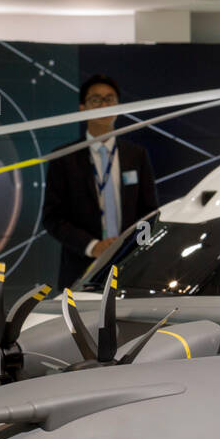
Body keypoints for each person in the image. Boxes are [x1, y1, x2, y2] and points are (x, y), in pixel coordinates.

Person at [42, 74, 159, 290]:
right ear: (83, 107)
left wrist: (135, 247)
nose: (103, 105)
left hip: (131, 266)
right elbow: (52, 218)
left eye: (109, 99)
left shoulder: (136, 156)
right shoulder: (64, 158)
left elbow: (150, 213)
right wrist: (93, 246)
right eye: (96, 100)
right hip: (81, 267)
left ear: (117, 105)